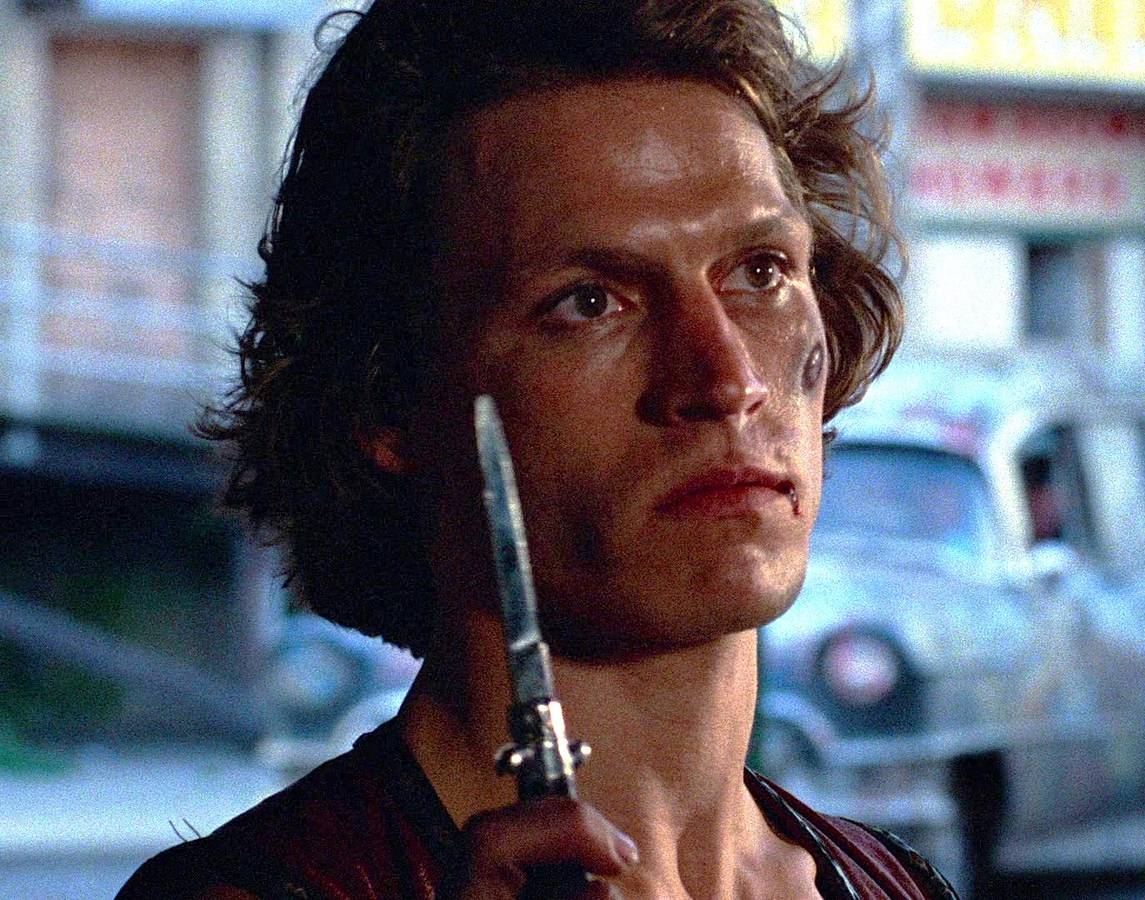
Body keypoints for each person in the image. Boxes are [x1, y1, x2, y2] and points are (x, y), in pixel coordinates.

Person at [116, 0, 955, 897]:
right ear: (389, 400)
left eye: (761, 271)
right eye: (588, 302)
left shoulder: (889, 883)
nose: (726, 378)